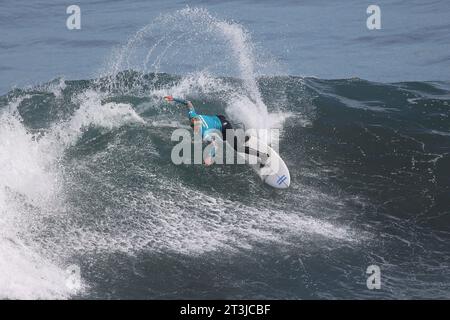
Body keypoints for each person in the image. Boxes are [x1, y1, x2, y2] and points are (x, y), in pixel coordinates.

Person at [164, 96, 233, 166]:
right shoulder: (192, 115)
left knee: (233, 144)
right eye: (192, 121)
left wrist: (210, 156)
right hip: (219, 117)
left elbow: (215, 146)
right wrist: (173, 99)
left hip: (224, 126)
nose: (192, 121)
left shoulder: (205, 134)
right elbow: (188, 103)